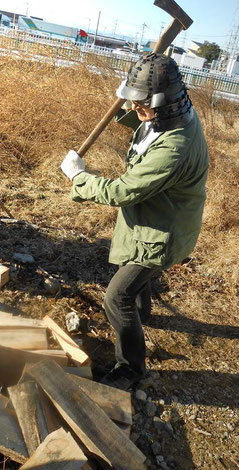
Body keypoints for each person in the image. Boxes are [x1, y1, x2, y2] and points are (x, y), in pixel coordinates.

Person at [60, 53, 209, 390]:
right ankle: (141, 317)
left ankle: (130, 367)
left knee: (117, 297)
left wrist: (79, 178)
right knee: (133, 269)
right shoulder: (178, 110)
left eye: (143, 107)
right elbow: (147, 126)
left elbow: (122, 191)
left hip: (162, 231)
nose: (137, 112)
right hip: (156, 216)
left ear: (165, 104)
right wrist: (132, 101)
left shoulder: (175, 149)